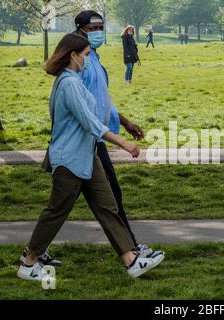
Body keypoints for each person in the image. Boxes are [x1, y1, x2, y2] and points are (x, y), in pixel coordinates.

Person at [17, 34, 164, 281]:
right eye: (86, 54)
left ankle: (132, 260)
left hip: (88, 155)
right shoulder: (69, 84)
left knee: (108, 207)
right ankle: (30, 262)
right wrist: (124, 143)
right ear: (73, 55)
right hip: (70, 158)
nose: (88, 58)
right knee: (57, 210)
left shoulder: (73, 80)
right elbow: (90, 122)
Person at [73, 11, 159, 260]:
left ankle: (130, 249)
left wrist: (125, 122)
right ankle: (131, 250)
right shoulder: (80, 62)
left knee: (68, 204)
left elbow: (102, 100)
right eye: (92, 28)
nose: (98, 31)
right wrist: (118, 139)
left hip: (95, 138)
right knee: (102, 198)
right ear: (80, 29)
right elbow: (79, 104)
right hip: (85, 140)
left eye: (101, 27)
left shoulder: (94, 57)